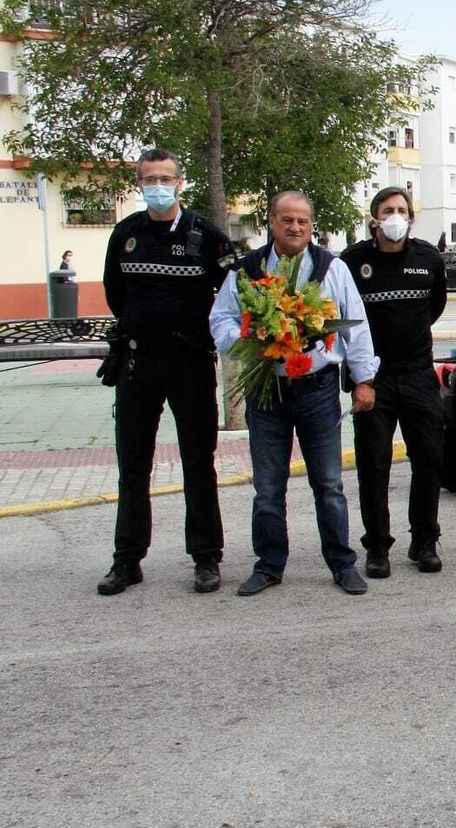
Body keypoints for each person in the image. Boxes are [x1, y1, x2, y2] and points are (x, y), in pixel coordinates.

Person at [210, 191, 379, 596]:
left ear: (311, 225)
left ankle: (341, 564)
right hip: (266, 389)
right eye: (287, 220)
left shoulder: (331, 268)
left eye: (302, 221)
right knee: (268, 486)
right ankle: (269, 565)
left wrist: (364, 378)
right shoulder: (246, 270)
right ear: (271, 222)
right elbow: (221, 319)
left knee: (329, 484)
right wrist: (251, 336)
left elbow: (355, 327)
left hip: (317, 389)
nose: (295, 227)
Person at [96, 148, 231, 596]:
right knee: (132, 466)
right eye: (149, 178)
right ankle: (127, 560)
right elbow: (117, 294)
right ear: (139, 184)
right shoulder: (126, 234)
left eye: (165, 178)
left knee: (199, 463)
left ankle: (206, 558)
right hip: (138, 364)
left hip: (190, 363)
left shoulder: (206, 236)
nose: (157, 186)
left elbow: (229, 296)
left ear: (180, 182)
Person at [340, 187, 448, 578]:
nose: (395, 216)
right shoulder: (352, 261)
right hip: (372, 379)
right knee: (373, 465)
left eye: (402, 210)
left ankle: (424, 541)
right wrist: (359, 376)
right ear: (374, 218)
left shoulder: (429, 259)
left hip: (419, 374)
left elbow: (432, 308)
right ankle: (378, 547)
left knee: (429, 461)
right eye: (388, 210)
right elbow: (343, 317)